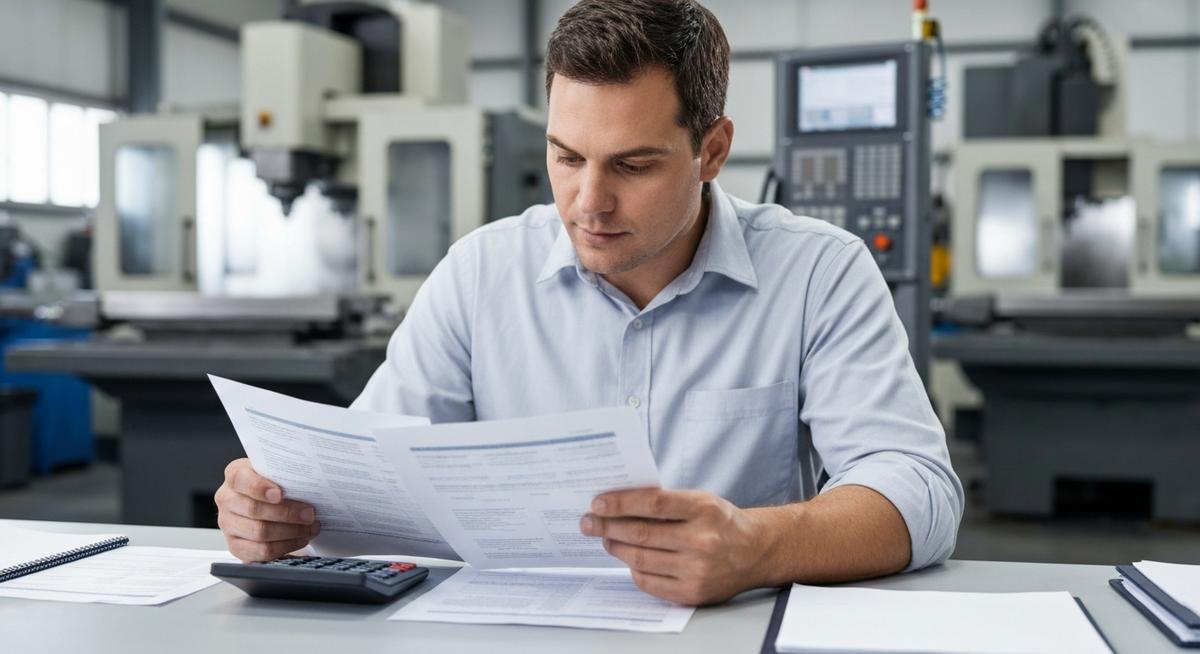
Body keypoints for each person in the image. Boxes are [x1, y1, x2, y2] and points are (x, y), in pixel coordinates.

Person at [214, 0, 963, 606]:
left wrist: (756, 546)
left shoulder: (818, 273)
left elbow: (918, 487)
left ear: (713, 150)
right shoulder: (480, 273)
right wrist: (281, 511)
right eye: (566, 157)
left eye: (633, 165)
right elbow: (368, 466)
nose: (588, 201)